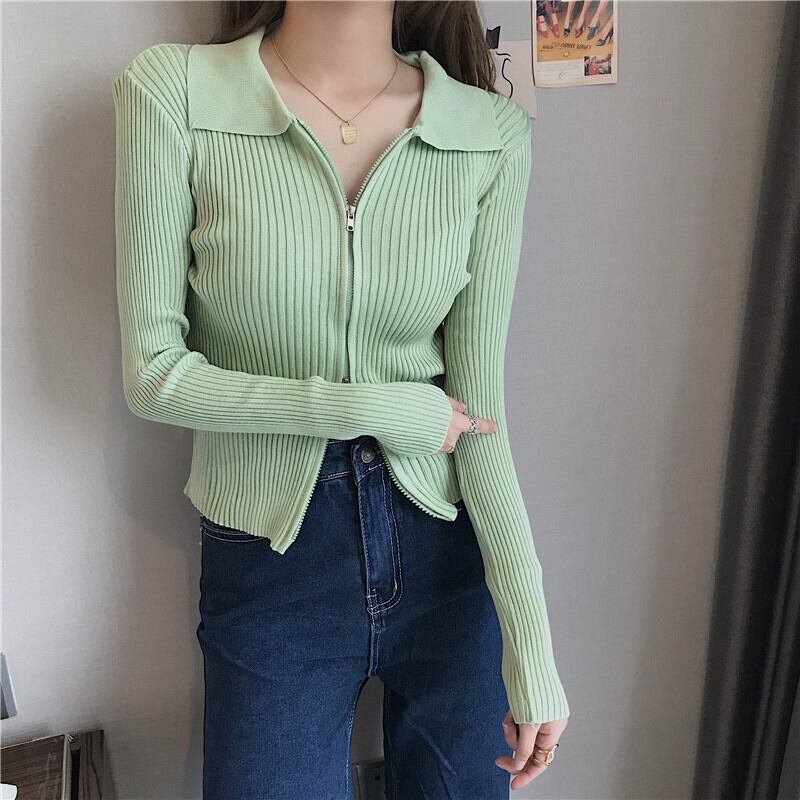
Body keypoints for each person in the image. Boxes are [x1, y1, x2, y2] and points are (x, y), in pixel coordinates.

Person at [112, 2, 570, 797]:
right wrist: (376, 409)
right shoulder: (175, 92)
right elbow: (154, 376)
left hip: (447, 549)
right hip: (271, 558)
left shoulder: (489, 133)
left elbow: (481, 416)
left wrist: (533, 646)